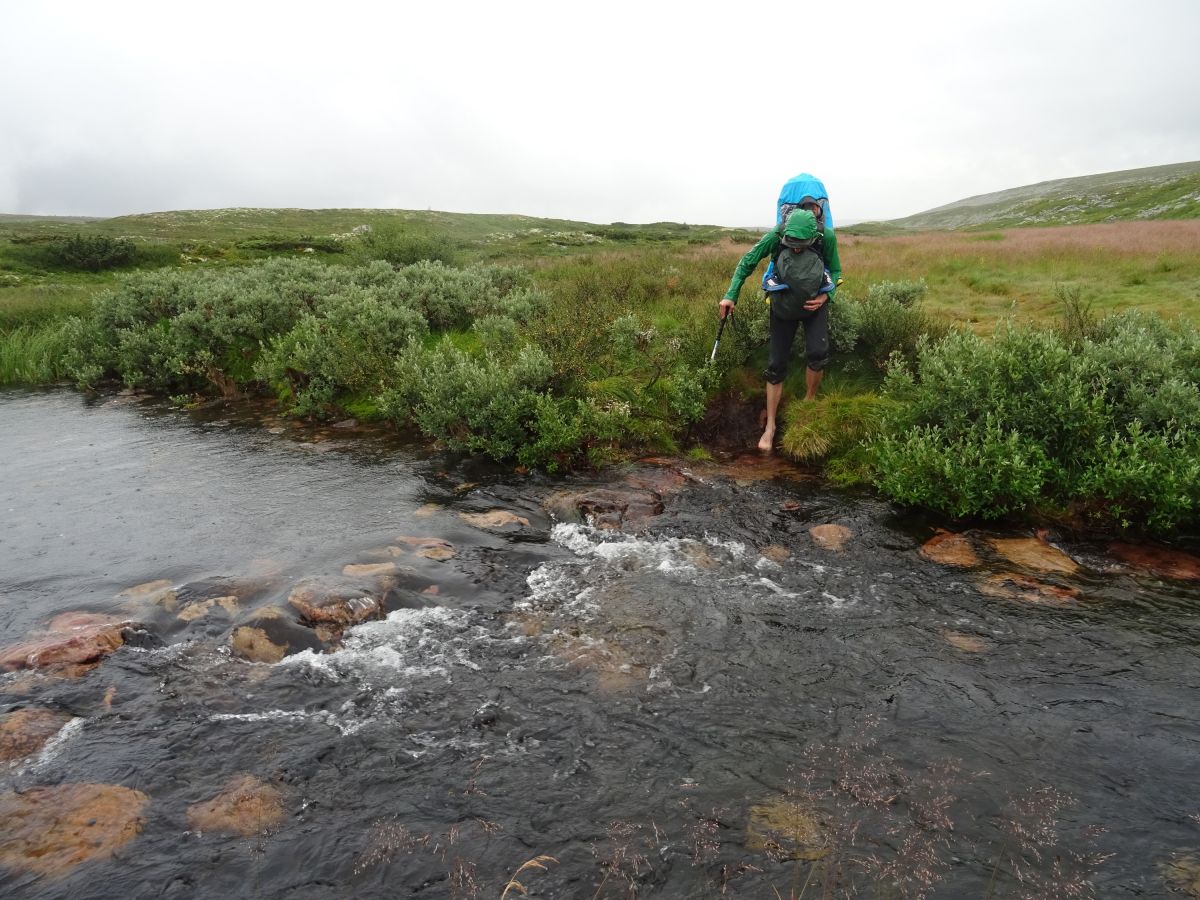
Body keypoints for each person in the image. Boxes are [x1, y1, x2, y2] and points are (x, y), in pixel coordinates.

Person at [718, 201, 842, 451]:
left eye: (801, 247)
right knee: (776, 365)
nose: (795, 251)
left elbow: (836, 271)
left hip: (814, 305)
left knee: (818, 354)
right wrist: (731, 295)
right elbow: (746, 263)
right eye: (791, 246)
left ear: (813, 236)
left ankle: (808, 403)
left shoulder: (826, 236)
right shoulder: (775, 235)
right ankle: (770, 426)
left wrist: (825, 297)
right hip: (783, 306)